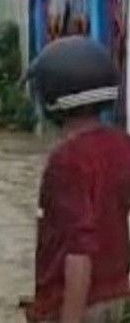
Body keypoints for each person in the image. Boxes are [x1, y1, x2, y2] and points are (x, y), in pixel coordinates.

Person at [23, 37, 130, 322]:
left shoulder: (65, 162)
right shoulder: (122, 146)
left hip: (73, 305)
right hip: (115, 297)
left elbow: (78, 254)